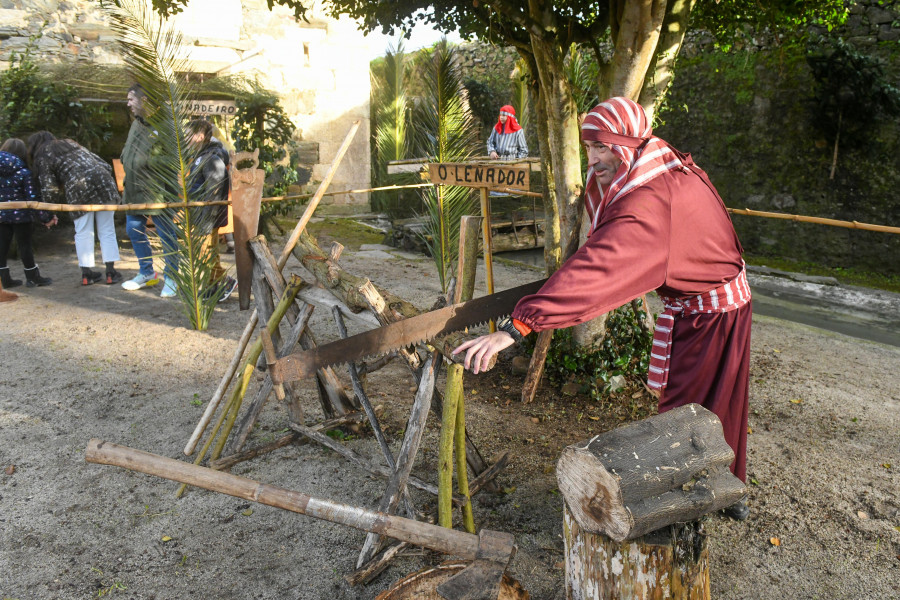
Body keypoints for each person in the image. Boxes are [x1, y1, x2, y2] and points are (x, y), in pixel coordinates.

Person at [455, 97, 753, 520]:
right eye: (589, 146)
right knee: (716, 404)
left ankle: (689, 501)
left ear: (628, 143)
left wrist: (518, 325)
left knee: (685, 415)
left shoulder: (650, 204)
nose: (592, 158)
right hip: (713, 302)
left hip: (712, 314)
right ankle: (727, 487)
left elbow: (598, 272)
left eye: (602, 146)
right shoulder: (658, 162)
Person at [26, 132, 123, 286]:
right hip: (104, 184)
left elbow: (49, 189)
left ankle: (87, 274)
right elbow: (104, 165)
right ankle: (111, 273)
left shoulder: (43, 155)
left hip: (78, 190)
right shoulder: (71, 144)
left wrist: (49, 213)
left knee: (83, 231)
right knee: (107, 230)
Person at [185, 118, 237, 301]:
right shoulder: (201, 156)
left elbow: (214, 189)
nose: (185, 138)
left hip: (206, 215)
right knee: (208, 252)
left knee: (204, 253)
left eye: (188, 135)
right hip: (201, 215)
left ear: (199, 136)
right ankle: (211, 286)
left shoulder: (211, 158)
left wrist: (207, 217)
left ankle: (224, 280)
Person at [0, 138, 57, 289]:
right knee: (24, 246)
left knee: (2, 246)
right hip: (21, 216)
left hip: (1, 214)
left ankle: (3, 279)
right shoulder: (24, 172)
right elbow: (33, 198)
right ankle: (32, 277)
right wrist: (46, 218)